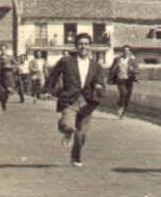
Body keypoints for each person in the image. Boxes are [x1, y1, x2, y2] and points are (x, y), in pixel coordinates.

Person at [46, 34, 107, 167]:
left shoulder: (95, 65)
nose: (83, 46)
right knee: (68, 124)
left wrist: (98, 86)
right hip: (70, 99)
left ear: (90, 46)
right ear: (76, 46)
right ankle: (67, 132)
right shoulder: (66, 61)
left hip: (87, 102)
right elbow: (53, 75)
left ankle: (76, 157)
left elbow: (100, 81)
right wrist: (51, 90)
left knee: (82, 134)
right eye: (80, 44)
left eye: (86, 44)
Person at [108, 45, 139, 119]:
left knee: (128, 96)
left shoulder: (132, 60)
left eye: (128, 50)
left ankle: (123, 112)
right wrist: (111, 76)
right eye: (124, 50)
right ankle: (120, 106)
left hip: (129, 80)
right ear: (122, 51)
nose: (126, 52)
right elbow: (112, 68)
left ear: (130, 52)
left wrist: (132, 70)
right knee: (123, 93)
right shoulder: (117, 59)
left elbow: (137, 70)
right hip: (120, 79)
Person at [0, 43, 13, 110]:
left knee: (7, 91)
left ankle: (4, 102)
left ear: (6, 50)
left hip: (8, 76)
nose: (3, 51)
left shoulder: (10, 58)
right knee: (1, 90)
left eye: (4, 49)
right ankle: (2, 103)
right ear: (0, 50)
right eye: (1, 49)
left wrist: (10, 66)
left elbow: (15, 66)